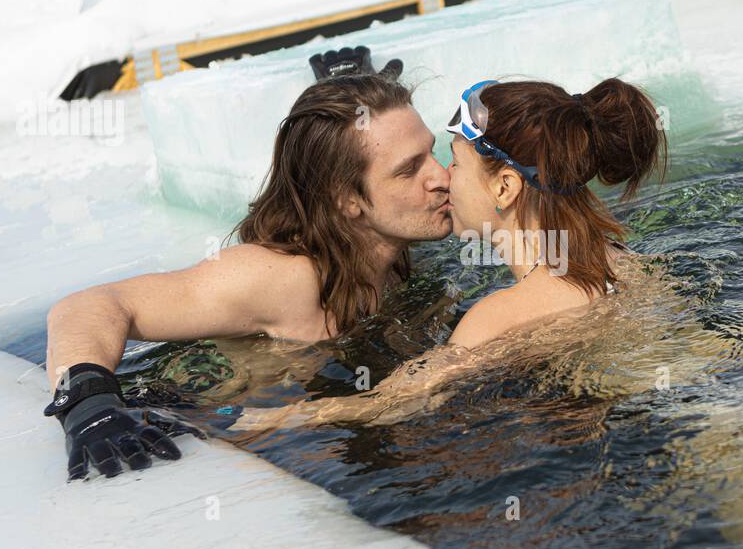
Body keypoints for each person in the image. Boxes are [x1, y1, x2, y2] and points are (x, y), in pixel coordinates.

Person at [43, 48, 452, 480]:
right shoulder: (282, 278)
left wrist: (346, 92)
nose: (442, 176)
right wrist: (90, 407)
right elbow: (86, 305)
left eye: (430, 152)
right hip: (178, 421)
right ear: (346, 199)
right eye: (409, 170)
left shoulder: (394, 234)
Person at [230, 75, 668, 434]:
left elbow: (399, 402)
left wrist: (271, 419)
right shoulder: (618, 259)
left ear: (504, 187)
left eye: (456, 162)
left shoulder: (498, 317)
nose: (443, 178)